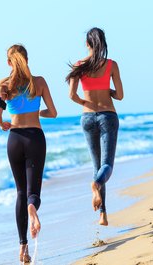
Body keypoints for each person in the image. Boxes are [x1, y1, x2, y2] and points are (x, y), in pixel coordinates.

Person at [0, 44, 57, 263]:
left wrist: (3, 124)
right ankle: (33, 208)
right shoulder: (38, 83)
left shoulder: (3, 86)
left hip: (15, 140)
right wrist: (37, 111)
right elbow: (54, 112)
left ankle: (23, 248)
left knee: (20, 192)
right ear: (27, 60)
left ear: (9, 63)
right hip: (35, 138)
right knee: (32, 192)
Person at [66, 27, 124, 226]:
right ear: (103, 43)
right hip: (108, 116)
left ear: (87, 44)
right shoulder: (111, 65)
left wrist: (86, 103)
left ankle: (103, 214)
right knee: (106, 167)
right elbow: (121, 95)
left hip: (87, 118)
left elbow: (72, 95)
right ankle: (96, 187)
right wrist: (107, 90)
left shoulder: (79, 65)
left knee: (96, 166)